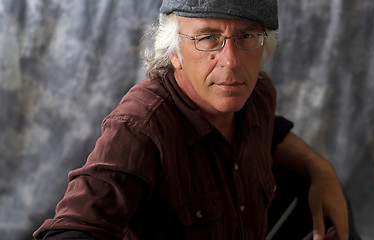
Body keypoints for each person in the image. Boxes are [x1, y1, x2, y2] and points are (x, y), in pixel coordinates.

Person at [33, 0, 357, 239]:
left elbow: (270, 134)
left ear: (264, 46)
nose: (230, 62)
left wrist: (321, 169)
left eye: (247, 37)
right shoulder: (141, 125)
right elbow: (75, 228)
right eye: (207, 38)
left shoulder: (256, 92)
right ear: (174, 53)